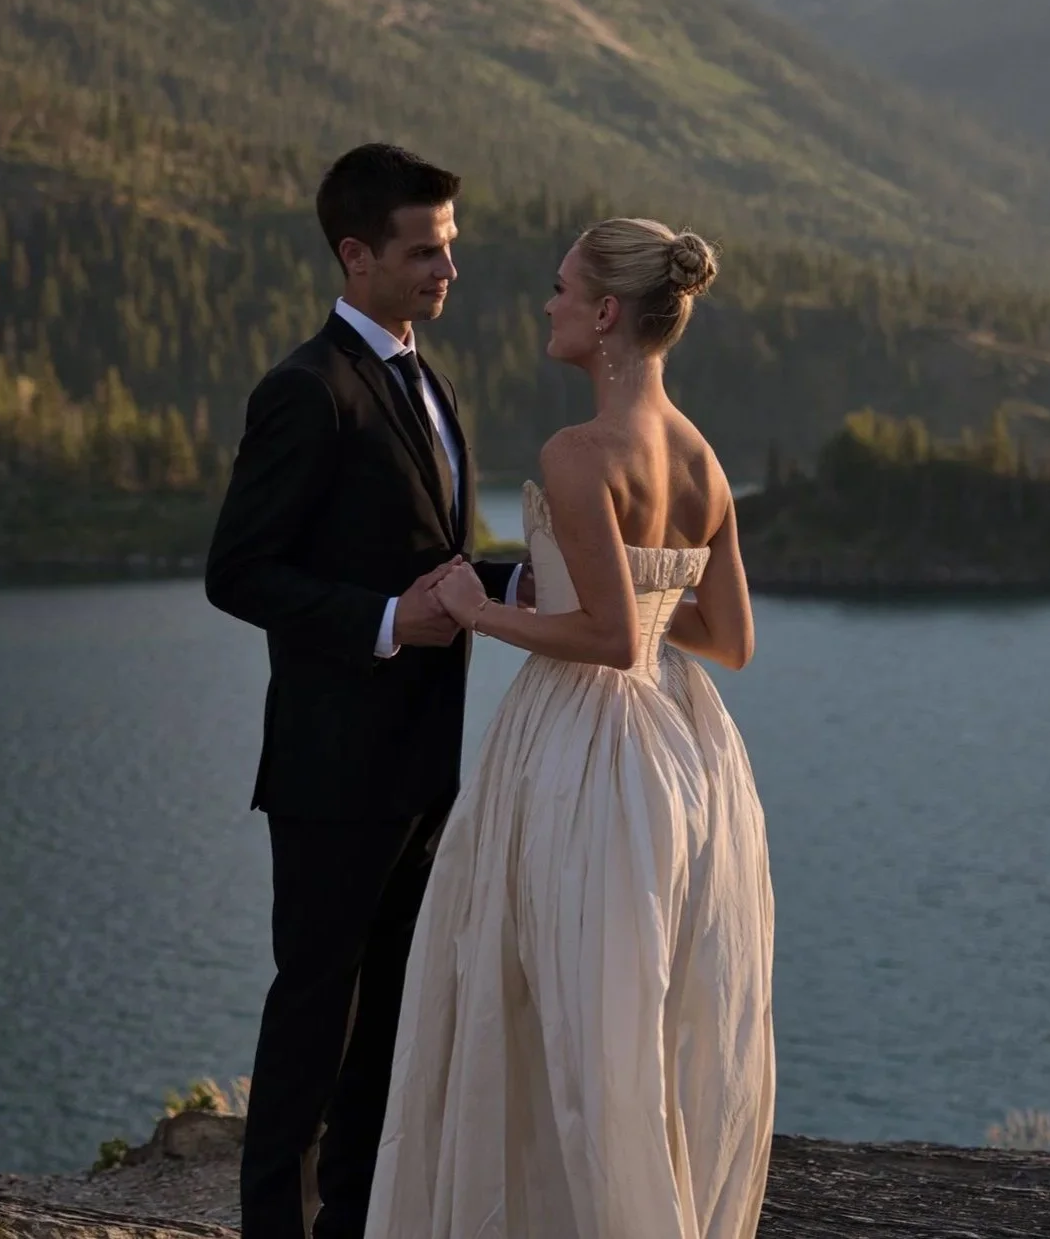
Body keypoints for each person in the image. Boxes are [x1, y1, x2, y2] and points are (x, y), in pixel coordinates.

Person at [367, 216, 775, 1239]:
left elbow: (602, 637)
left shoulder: (576, 451)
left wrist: (475, 608)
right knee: (644, 1024)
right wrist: (639, 592)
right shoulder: (701, 459)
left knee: (552, 1017)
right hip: (689, 759)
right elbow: (727, 638)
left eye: (559, 290)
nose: (544, 304)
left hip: (583, 752)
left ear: (602, 315)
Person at [205, 143, 527, 1239]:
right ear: (355, 253)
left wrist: (536, 582)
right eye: (423, 249)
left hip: (420, 764)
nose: (447, 268)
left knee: (385, 1020)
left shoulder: (424, 378)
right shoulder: (304, 390)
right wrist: (389, 624)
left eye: (449, 245)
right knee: (313, 1022)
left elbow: (436, 555)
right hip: (333, 768)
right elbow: (237, 571)